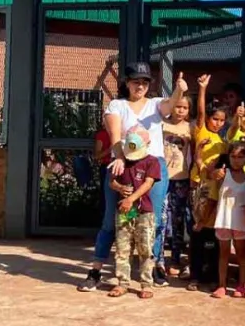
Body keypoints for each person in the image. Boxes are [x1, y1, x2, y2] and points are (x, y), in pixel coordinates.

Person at [78, 64, 188, 292]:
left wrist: (180, 90)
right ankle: (96, 270)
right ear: (127, 82)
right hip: (123, 162)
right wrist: (118, 157)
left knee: (154, 220)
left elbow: (169, 106)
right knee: (111, 220)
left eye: (145, 82)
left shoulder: (155, 104)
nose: (141, 86)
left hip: (152, 164)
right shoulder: (117, 105)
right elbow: (115, 133)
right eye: (136, 81)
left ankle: (155, 267)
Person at [108, 126, 162, 299]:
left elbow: (148, 183)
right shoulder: (122, 161)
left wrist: (131, 199)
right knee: (123, 248)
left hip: (143, 211)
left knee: (145, 248)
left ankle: (146, 284)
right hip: (124, 212)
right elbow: (112, 182)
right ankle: (122, 283)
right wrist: (120, 187)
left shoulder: (151, 161)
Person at [187, 74, 228, 290]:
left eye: (222, 120)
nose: (218, 123)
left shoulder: (222, 141)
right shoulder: (202, 130)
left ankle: (211, 275)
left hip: (216, 193)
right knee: (198, 232)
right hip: (200, 190)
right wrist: (202, 88)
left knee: (213, 235)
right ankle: (194, 275)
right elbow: (201, 112)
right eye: (216, 119)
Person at [211, 140, 245, 300]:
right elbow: (213, 175)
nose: (236, 160)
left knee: (241, 255)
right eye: (233, 156)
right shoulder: (224, 174)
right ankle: (221, 285)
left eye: (240, 157)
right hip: (223, 219)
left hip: (240, 222)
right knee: (223, 254)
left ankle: (242, 284)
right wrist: (216, 174)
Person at [163, 95, 193, 276]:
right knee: (161, 218)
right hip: (162, 178)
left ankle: (175, 258)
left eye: (185, 107)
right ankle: (157, 258)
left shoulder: (191, 127)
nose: (180, 110)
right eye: (177, 106)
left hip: (182, 178)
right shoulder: (161, 124)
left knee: (179, 219)